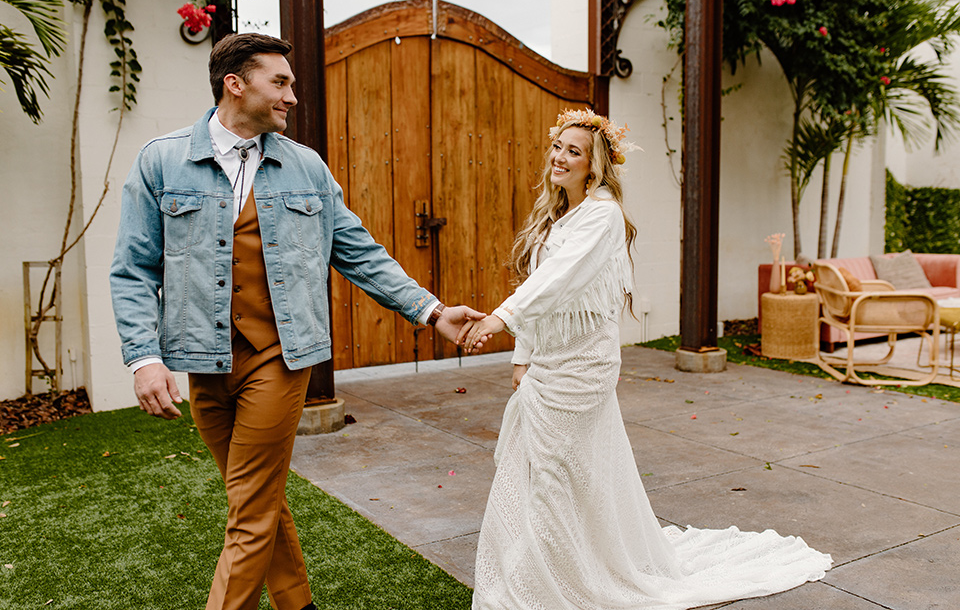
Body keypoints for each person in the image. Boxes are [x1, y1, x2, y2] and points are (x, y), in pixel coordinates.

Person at [109, 33, 483, 610]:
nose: (292, 97)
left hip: (279, 357)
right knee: (253, 497)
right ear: (236, 83)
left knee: (251, 506)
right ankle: (297, 603)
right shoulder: (162, 160)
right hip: (200, 358)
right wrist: (144, 357)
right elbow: (133, 268)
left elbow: (358, 251)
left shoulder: (304, 167)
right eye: (279, 82)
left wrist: (430, 310)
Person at [459, 109, 833, 609]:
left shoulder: (603, 214)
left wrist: (499, 319)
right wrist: (522, 357)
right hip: (548, 363)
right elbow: (541, 292)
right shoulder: (556, 216)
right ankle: (543, 571)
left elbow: (560, 280)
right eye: (557, 146)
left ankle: (552, 586)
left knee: (554, 473)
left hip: (583, 366)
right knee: (549, 473)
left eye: (574, 151)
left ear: (595, 166)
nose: (560, 157)